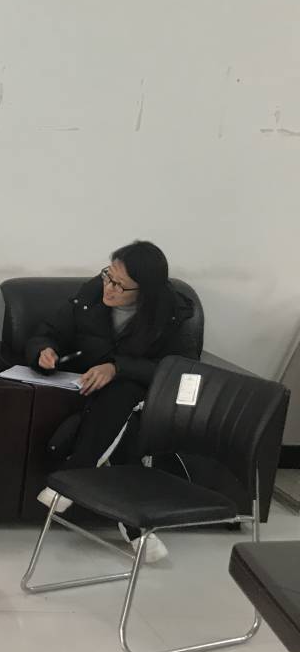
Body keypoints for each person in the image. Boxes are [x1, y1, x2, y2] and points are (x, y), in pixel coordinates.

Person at [27, 240, 196, 562]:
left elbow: (183, 370)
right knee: (121, 423)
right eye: (108, 276)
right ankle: (137, 531)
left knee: (123, 391)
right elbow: (47, 332)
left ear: (146, 292)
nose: (109, 288)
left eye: (121, 285)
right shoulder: (90, 297)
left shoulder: (171, 315)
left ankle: (73, 474)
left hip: (145, 398)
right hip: (91, 391)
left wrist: (118, 368)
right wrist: (43, 352)